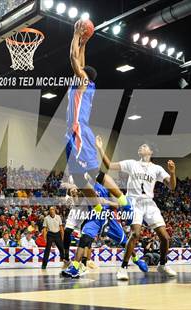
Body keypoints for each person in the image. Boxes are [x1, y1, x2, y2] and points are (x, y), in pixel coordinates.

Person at [66, 20, 132, 214]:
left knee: (94, 173)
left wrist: (77, 35)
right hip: (73, 132)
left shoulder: (83, 81)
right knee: (78, 177)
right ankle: (97, 207)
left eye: (79, 71)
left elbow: (73, 58)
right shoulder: (86, 82)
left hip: (79, 129)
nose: (77, 70)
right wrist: (84, 44)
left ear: (84, 75)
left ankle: (123, 201)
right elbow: (80, 61)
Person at [96, 136, 177, 280]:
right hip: (133, 202)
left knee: (165, 237)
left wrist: (172, 172)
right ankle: (123, 268)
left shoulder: (157, 169)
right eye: (140, 146)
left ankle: (163, 264)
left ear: (151, 152)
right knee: (135, 234)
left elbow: (172, 186)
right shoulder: (132, 163)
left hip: (149, 203)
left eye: (144, 146)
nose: (141, 147)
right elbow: (109, 165)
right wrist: (100, 148)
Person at [62, 182, 147, 278]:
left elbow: (117, 205)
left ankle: (136, 259)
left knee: (124, 242)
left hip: (108, 217)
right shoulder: (85, 187)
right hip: (94, 217)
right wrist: (74, 194)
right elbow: (77, 203)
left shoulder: (107, 187)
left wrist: (105, 202)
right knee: (84, 239)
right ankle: (75, 268)